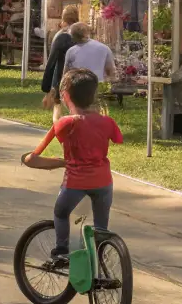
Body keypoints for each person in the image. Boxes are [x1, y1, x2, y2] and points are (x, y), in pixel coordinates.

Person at [22, 67, 123, 263]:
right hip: (103, 182)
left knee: (61, 213)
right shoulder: (107, 122)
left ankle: (61, 251)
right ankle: (100, 260)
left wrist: (61, 163)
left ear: (65, 95)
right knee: (101, 227)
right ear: (93, 94)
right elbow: (118, 139)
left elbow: (32, 159)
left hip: (76, 182)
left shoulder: (65, 124)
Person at [41, 6, 80, 115]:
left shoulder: (61, 35)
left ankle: (59, 130)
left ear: (63, 17)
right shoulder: (82, 34)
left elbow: (52, 62)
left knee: (58, 109)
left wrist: (47, 88)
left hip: (61, 77)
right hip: (79, 76)